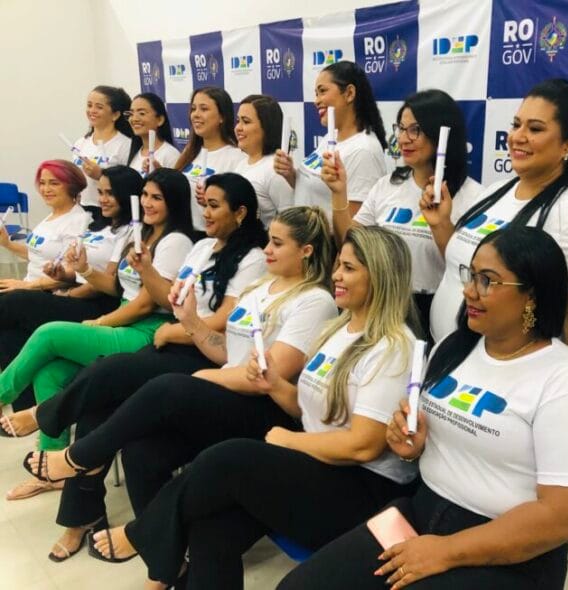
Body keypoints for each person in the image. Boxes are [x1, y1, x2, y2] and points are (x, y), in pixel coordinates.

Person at [38, 226, 419, 589]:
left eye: (349, 268)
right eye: (338, 265)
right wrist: (276, 386)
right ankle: (154, 542)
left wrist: (289, 440)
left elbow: (362, 446)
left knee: (226, 457)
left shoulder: (392, 347)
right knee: (211, 531)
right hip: (315, 459)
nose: (336, 275)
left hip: (358, 486)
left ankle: (141, 531)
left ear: (380, 276)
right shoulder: (339, 330)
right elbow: (310, 411)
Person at [279, 225, 568, 590]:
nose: (469, 290)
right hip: (420, 514)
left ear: (531, 295)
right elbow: (427, 449)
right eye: (471, 275)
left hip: (511, 554)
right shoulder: (454, 349)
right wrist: (413, 447)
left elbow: (566, 517)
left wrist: (447, 551)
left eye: (488, 281)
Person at [17, 173, 267, 561]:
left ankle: (45, 417)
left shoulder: (252, 259)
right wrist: (147, 269)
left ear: (241, 212)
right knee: (97, 409)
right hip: (172, 341)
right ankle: (81, 517)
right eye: (205, 204)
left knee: (109, 369)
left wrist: (175, 331)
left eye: (215, 206)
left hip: (202, 353)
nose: (205, 212)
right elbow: (170, 299)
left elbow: (223, 322)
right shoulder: (202, 247)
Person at [0, 168, 193, 503]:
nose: (147, 203)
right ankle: (52, 467)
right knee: (49, 373)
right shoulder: (142, 233)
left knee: (48, 333)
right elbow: (117, 287)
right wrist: (85, 269)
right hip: (122, 318)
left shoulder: (175, 242)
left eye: (156, 198)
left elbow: (146, 304)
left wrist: (101, 321)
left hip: (144, 330)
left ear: (173, 201)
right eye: (145, 196)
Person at [426, 79, 568, 376]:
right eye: (516, 124)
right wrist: (441, 224)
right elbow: (465, 267)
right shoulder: (494, 192)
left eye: (535, 129)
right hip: (451, 357)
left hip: (505, 373)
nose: (517, 137)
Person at [0, 165, 138, 448]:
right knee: (8, 333)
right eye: (100, 192)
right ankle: (25, 407)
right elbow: (72, 267)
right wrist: (63, 275)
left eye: (110, 193)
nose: (102, 199)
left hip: (93, 302)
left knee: (11, 303)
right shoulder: (99, 226)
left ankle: (9, 398)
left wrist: (58, 289)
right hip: (68, 289)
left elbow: (110, 283)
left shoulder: (125, 231)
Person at [324, 89, 483, 334]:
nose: (403, 139)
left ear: (441, 134)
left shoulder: (473, 197)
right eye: (401, 128)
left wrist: (440, 225)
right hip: (380, 304)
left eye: (415, 130)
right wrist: (339, 192)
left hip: (434, 311)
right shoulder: (388, 185)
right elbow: (352, 242)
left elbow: (468, 269)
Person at [274, 61, 387, 219]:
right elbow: (314, 191)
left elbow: (354, 229)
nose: (316, 101)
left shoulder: (364, 151)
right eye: (316, 94)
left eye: (322, 91)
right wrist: (290, 174)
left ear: (349, 93)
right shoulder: (330, 137)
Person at [0, 160, 91, 295]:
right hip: (29, 287)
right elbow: (36, 255)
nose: (46, 189)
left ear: (72, 187)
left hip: (47, 293)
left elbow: (73, 275)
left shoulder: (77, 222)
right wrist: (7, 244)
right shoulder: (53, 215)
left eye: (54, 183)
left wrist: (27, 286)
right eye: (42, 183)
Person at [175, 87, 245, 233]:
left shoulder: (237, 157)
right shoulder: (189, 152)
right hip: (182, 233)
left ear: (222, 117)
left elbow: (238, 207)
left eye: (204, 109)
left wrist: (211, 202)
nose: (196, 115)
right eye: (193, 109)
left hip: (211, 236)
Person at [72, 85, 134, 219]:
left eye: (99, 107)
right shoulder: (80, 143)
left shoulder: (125, 145)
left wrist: (101, 175)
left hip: (110, 213)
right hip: (81, 210)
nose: (92, 111)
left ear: (115, 114)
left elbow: (130, 184)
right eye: (89, 105)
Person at [234, 94, 294, 227]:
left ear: (266, 127)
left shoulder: (276, 170)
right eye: (238, 121)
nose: (238, 128)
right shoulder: (242, 164)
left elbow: (291, 223)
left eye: (246, 121)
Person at [126, 93, 180, 174]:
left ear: (160, 120)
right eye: (131, 114)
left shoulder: (170, 155)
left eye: (142, 113)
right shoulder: (132, 152)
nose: (134, 119)